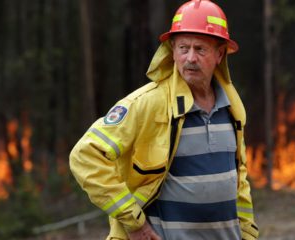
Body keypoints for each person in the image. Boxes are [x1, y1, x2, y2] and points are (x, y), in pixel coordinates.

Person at [69, 0, 259, 239]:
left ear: (219, 54)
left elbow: (238, 179)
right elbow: (85, 156)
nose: (190, 58)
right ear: (172, 51)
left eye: (200, 49)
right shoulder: (147, 104)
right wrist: (133, 221)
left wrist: (248, 233)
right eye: (183, 48)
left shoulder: (232, 107)